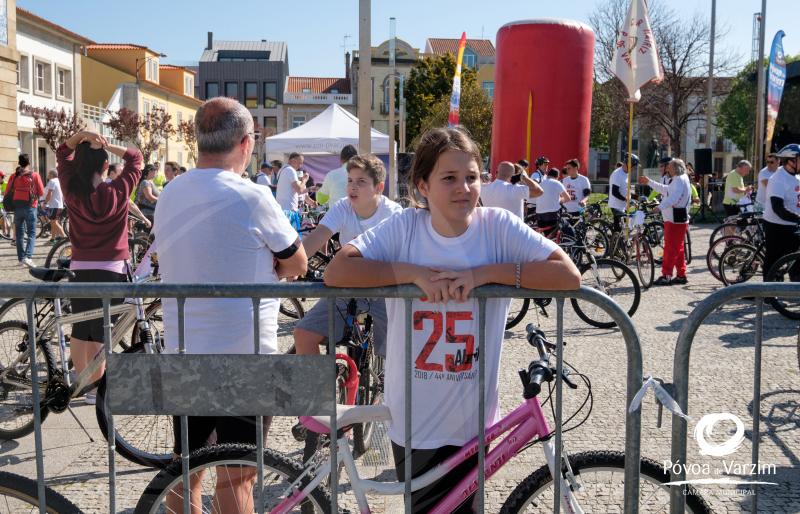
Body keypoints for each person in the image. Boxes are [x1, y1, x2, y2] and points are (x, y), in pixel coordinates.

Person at [325, 127, 581, 513]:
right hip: (415, 421)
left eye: (471, 177)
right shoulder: (406, 226)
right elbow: (338, 271)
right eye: (449, 178)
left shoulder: (497, 226)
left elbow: (568, 275)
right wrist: (412, 274)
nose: (463, 188)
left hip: (474, 422)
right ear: (423, 185)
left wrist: (484, 274)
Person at [154, 97, 306, 513]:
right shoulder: (252, 195)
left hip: (184, 349)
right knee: (238, 475)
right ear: (246, 143)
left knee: (185, 467)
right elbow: (297, 262)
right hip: (244, 355)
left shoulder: (170, 193)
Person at [57, 130, 143, 404]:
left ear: (79, 163)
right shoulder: (118, 190)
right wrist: (108, 145)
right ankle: (97, 389)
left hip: (80, 267)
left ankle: (82, 386)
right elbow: (136, 159)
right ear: (106, 165)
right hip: (112, 269)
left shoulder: (71, 189)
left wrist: (82, 136)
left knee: (80, 328)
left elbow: (62, 154)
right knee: (102, 330)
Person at [295, 153, 401, 361]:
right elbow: (318, 236)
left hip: (385, 290)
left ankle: (386, 379)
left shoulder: (393, 213)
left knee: (396, 351)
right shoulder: (343, 206)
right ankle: (322, 383)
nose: (353, 187)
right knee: (303, 334)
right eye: (350, 180)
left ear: (379, 188)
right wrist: (293, 264)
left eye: (361, 182)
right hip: (350, 285)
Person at [639, 158, 692, 285]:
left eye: (670, 167)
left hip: (674, 219)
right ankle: (681, 275)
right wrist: (649, 182)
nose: (668, 169)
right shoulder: (679, 178)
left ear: (675, 169)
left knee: (670, 248)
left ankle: (666, 275)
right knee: (678, 248)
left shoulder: (679, 180)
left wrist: (659, 207)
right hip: (676, 218)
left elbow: (673, 198)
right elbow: (666, 190)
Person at [762, 144, 800, 281]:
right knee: (773, 260)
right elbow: (778, 208)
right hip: (777, 225)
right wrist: (798, 218)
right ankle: (768, 291)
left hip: (791, 224)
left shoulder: (796, 176)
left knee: (794, 259)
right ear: (791, 161)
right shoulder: (778, 179)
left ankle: (795, 279)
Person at [7, 154, 45, 266]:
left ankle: (21, 259)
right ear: (29, 163)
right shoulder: (34, 175)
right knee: (32, 233)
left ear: (19, 163)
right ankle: (28, 257)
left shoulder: (14, 176)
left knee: (19, 234)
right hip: (31, 207)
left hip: (17, 207)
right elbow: (41, 192)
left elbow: (7, 191)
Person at [608, 154, 638, 233]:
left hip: (623, 205)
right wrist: (626, 199)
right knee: (619, 231)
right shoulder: (617, 174)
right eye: (634, 166)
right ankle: (613, 240)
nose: (635, 169)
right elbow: (614, 192)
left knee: (628, 227)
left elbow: (630, 188)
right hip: (616, 206)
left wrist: (638, 197)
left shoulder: (627, 173)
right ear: (628, 164)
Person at [535, 167, 569, 235]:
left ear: (548, 175)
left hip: (539, 214)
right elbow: (567, 198)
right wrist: (560, 200)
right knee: (556, 234)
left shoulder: (541, 183)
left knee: (544, 235)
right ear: (557, 176)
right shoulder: (557, 183)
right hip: (552, 214)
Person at [43, 169, 66, 242]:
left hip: (54, 205)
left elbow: (50, 194)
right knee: (53, 222)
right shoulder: (58, 181)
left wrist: (45, 203)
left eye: (49, 174)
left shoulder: (52, 181)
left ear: (52, 175)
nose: (47, 175)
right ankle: (52, 239)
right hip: (58, 204)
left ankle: (64, 237)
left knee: (54, 222)